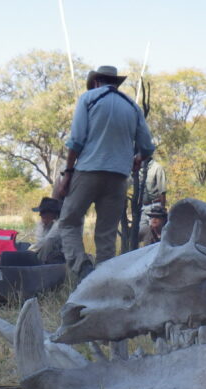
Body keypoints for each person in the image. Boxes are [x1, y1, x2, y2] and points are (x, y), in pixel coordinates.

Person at [54, 65, 155, 280]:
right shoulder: (132, 106)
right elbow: (147, 147)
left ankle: (83, 269)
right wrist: (138, 159)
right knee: (107, 235)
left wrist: (68, 173)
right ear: (115, 83)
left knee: (69, 221)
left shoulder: (89, 99)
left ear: (96, 82)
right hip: (118, 177)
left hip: (88, 170)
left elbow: (77, 141)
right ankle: (104, 284)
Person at [136, 156, 167, 244]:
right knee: (142, 232)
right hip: (142, 207)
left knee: (155, 234)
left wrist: (162, 209)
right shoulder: (138, 168)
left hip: (155, 207)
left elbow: (162, 191)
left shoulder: (157, 168)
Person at [29, 197, 64, 264]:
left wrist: (30, 251)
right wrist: (43, 225)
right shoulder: (44, 223)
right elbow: (39, 240)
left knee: (48, 242)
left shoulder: (59, 224)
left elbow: (48, 240)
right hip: (47, 254)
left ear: (52, 213)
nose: (40, 215)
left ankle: (40, 265)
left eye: (43, 213)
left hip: (60, 255)